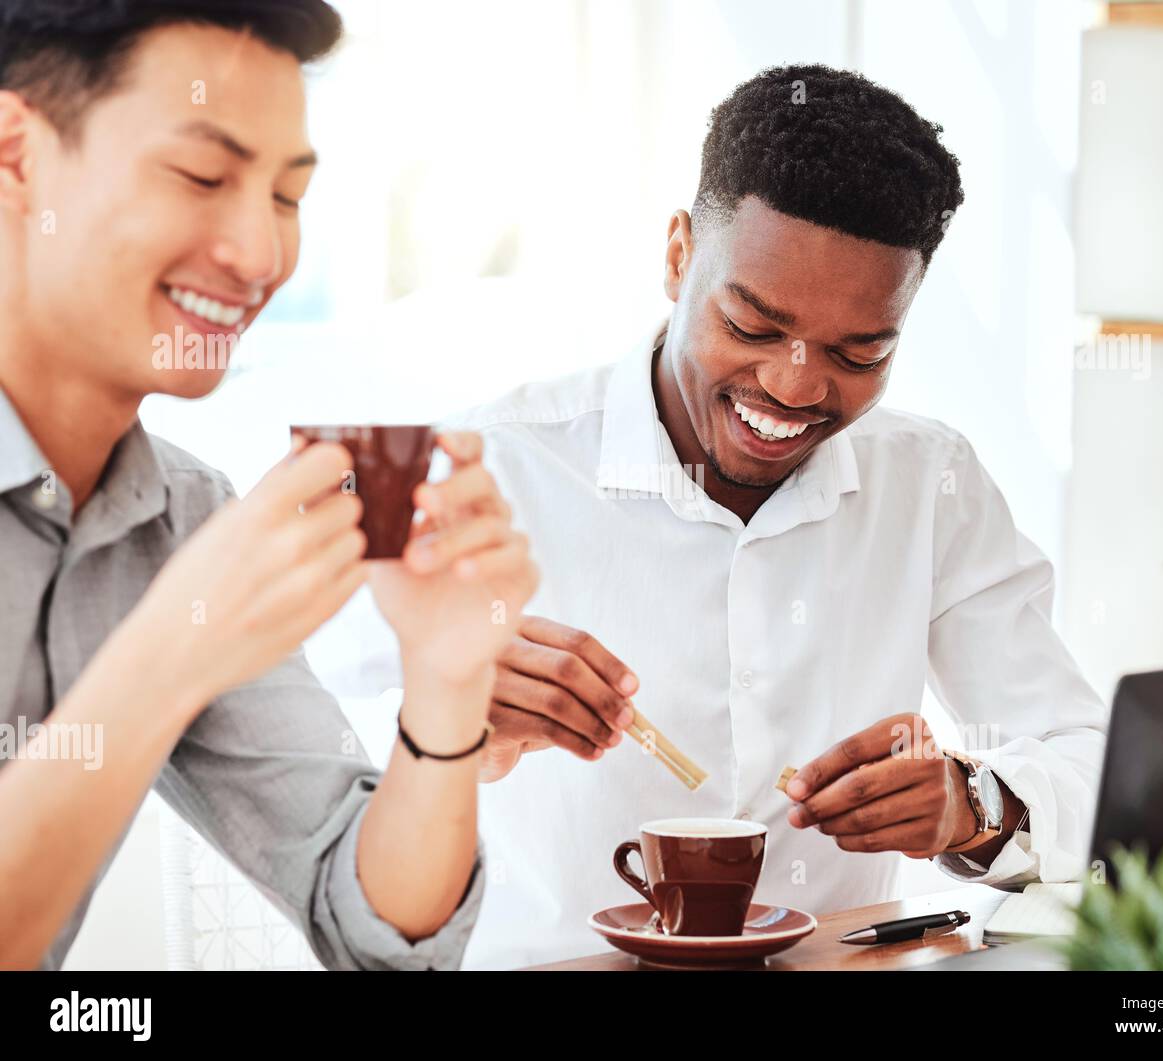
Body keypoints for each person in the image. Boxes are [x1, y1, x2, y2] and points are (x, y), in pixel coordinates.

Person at [359, 64, 1107, 968]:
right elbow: (319, 766)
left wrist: (974, 803)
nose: (794, 385)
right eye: (752, 326)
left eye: (858, 350)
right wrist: (449, 724)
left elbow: (1092, 762)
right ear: (678, 255)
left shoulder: (930, 482)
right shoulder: (479, 464)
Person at [0, 0, 536, 970]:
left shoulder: (183, 518)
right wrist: (170, 653)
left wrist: (447, 678)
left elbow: (378, 926)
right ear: (16, 152)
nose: (260, 257)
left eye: (286, 198)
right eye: (202, 175)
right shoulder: (195, 575)